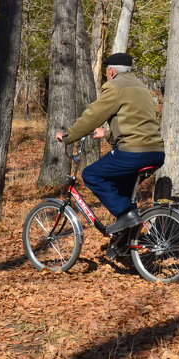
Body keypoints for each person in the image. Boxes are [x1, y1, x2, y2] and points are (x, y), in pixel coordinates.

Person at [54, 53, 164, 233]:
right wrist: (106, 133)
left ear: (111, 71)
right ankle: (126, 243)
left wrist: (68, 135)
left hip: (133, 152)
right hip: (156, 152)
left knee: (91, 174)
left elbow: (93, 116)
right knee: (122, 191)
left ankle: (126, 214)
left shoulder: (115, 87)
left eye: (106, 71)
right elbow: (137, 122)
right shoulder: (141, 87)